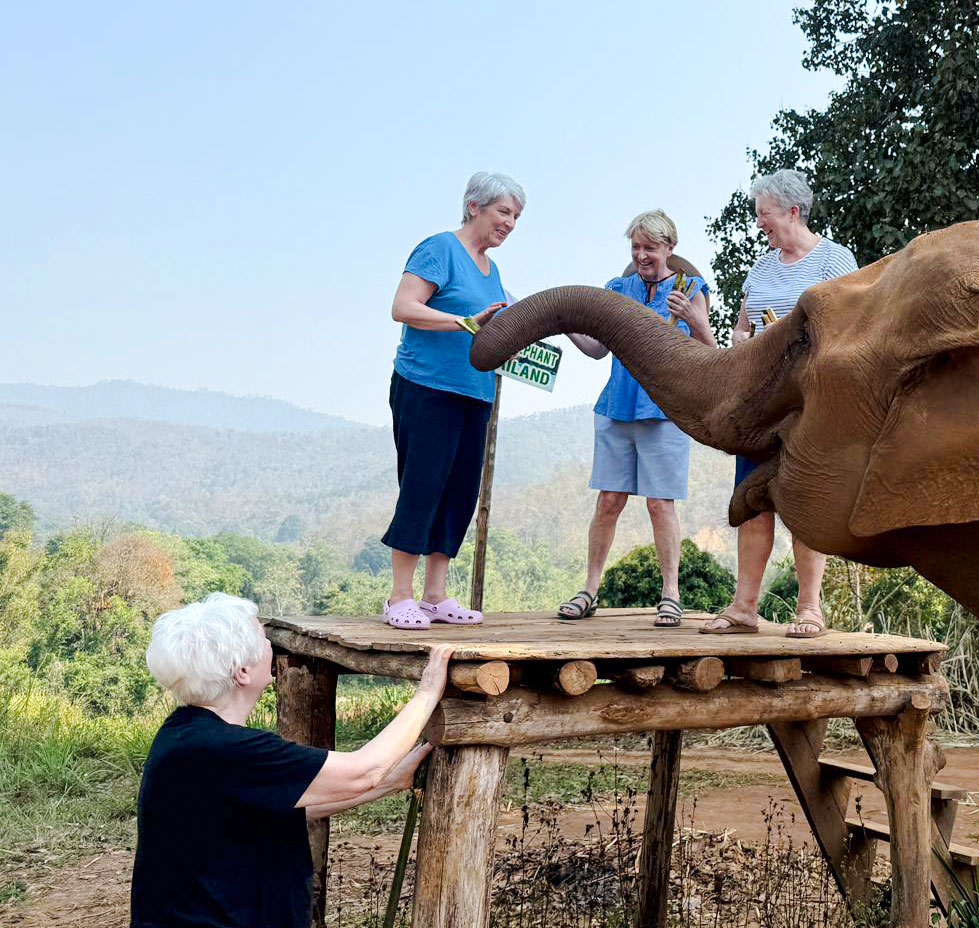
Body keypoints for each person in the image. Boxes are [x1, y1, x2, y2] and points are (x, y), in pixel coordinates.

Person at [130, 593, 453, 928]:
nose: (269, 644)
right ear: (242, 671)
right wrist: (427, 692)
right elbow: (364, 769)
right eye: (261, 637)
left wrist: (389, 783)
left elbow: (279, 805)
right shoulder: (229, 750)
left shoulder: (183, 736)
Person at [699, 170, 856, 638]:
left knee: (803, 501)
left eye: (763, 213)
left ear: (792, 210)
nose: (758, 222)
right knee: (753, 498)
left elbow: (848, 328)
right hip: (759, 402)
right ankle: (744, 606)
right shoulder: (761, 268)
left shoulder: (835, 259)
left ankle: (809, 608)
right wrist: (748, 340)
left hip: (810, 402)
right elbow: (741, 330)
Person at [382, 172, 525, 630]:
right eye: (504, 212)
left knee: (459, 492)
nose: (511, 223)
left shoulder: (493, 270)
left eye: (516, 216)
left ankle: (434, 595)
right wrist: (465, 323)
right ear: (474, 207)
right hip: (427, 388)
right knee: (423, 486)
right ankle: (398, 597)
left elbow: (488, 326)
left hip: (475, 392)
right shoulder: (439, 249)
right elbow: (403, 307)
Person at [558, 209, 714, 627]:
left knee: (660, 505)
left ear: (669, 248)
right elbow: (596, 349)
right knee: (608, 501)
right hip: (616, 408)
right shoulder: (617, 288)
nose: (642, 254)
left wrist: (694, 318)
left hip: (664, 412)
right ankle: (589, 590)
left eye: (650, 247)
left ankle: (670, 594)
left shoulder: (690, 288)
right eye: (636, 247)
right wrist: (564, 321)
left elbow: (711, 350)